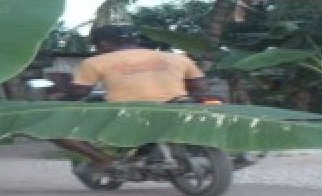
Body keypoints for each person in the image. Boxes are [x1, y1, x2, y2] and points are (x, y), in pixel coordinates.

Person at [51, 24, 209, 167]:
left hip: (128, 114)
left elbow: (80, 92)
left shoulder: (96, 62)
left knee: (54, 130)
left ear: (104, 43)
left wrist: (59, 104)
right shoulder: (177, 58)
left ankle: (103, 160)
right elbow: (200, 87)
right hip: (176, 107)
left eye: (96, 45)